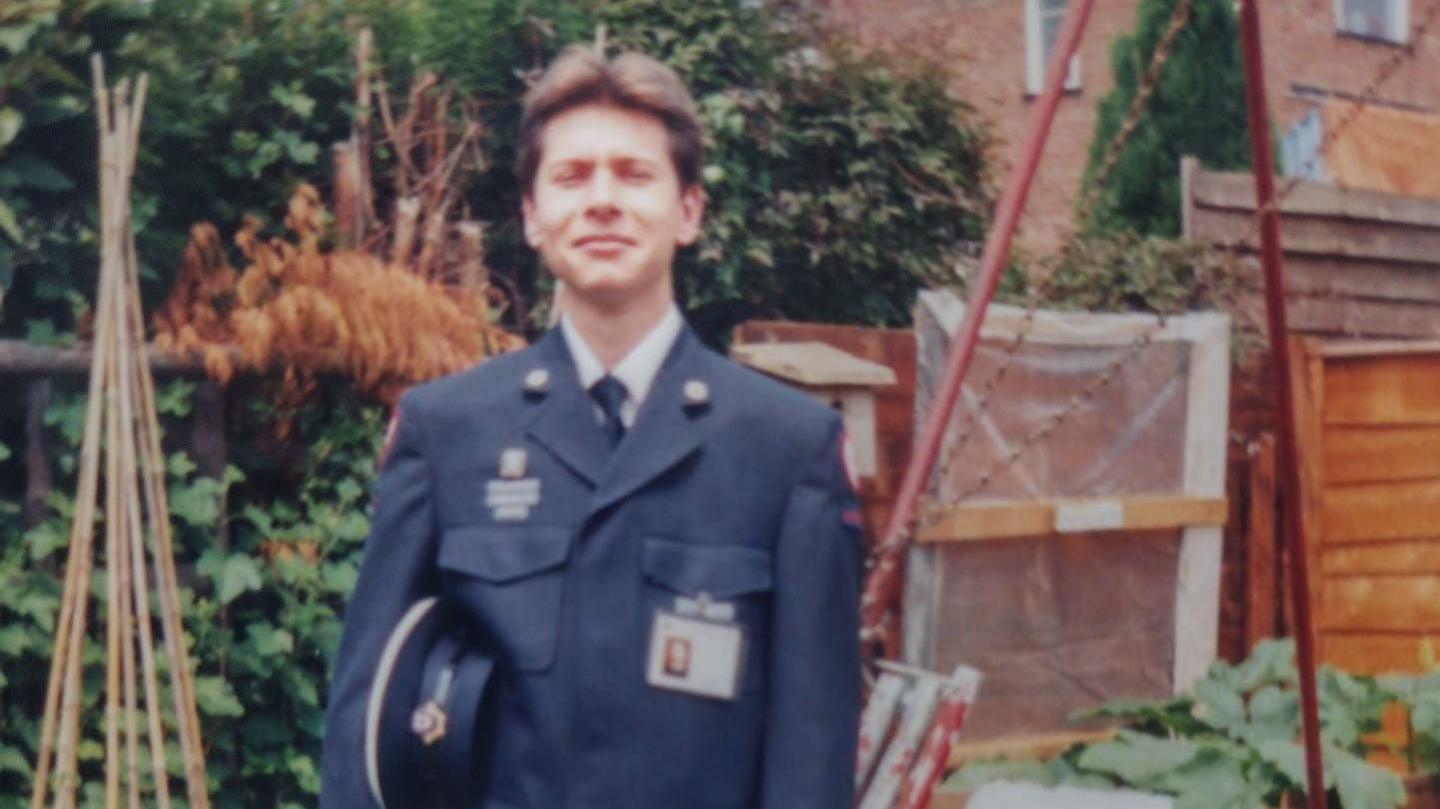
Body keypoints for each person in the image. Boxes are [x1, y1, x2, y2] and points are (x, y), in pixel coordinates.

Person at [319, 45, 862, 809]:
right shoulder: (446, 435)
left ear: (689, 211)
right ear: (532, 218)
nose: (602, 200)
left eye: (634, 174)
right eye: (572, 176)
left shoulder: (787, 450)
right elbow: (364, 724)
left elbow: (812, 751)